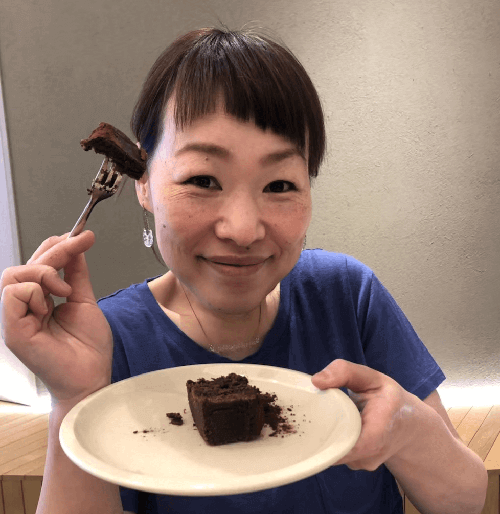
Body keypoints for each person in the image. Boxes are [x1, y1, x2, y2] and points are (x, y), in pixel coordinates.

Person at [0, 28, 487, 514]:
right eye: (203, 179)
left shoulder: (346, 296)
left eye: (279, 185)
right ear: (143, 183)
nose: (243, 229)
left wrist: (406, 426)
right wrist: (76, 395)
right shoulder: (107, 341)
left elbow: (463, 502)